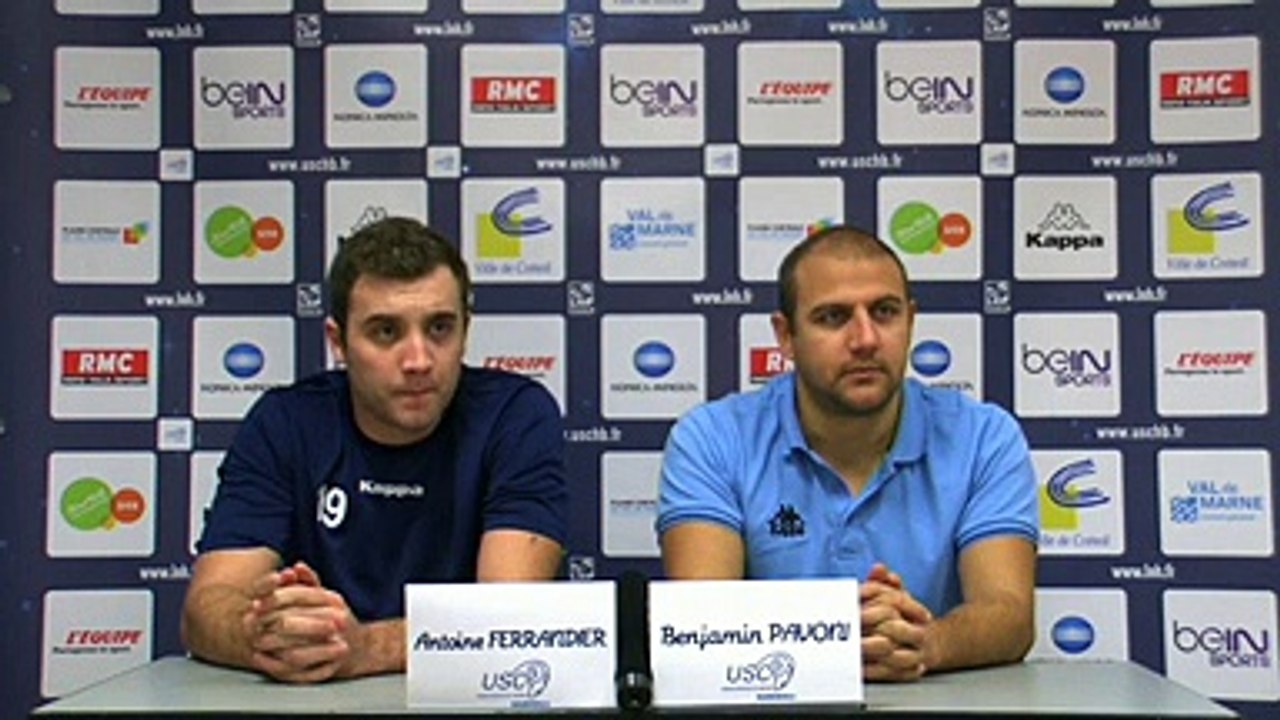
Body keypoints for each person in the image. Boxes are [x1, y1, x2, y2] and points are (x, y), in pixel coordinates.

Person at [182, 217, 569, 683]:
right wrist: (267, 632)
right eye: (386, 332)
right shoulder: (284, 423)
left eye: (440, 328)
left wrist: (364, 648)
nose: (419, 360)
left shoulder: (515, 416)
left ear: (466, 330)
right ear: (337, 342)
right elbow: (206, 607)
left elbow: (509, 615)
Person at [656, 224, 1037, 682]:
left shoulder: (983, 437)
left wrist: (925, 643)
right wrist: (835, 638)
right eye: (833, 318)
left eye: (885, 312)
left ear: (910, 321)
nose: (866, 339)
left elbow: (1010, 616)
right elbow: (702, 619)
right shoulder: (712, 438)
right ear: (785, 335)